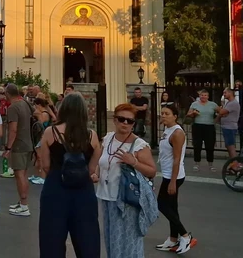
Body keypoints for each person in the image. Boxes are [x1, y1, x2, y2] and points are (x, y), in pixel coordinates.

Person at [36, 92, 102, 258]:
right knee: (88, 241)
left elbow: (45, 165)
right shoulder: (91, 136)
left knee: (52, 242)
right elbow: (93, 168)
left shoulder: (51, 133)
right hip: (83, 192)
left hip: (56, 189)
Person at [96, 103, 157, 258]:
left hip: (127, 200)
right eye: (121, 119)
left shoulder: (139, 145)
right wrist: (95, 174)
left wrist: (134, 162)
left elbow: (152, 172)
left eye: (129, 121)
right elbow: (101, 162)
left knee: (129, 243)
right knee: (112, 240)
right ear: (115, 120)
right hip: (106, 197)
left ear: (133, 124)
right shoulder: (108, 138)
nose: (125, 123)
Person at [156, 104, 195, 253]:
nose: (163, 115)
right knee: (172, 208)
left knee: (161, 204)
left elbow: (177, 159)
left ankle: (185, 235)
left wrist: (172, 182)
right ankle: (173, 239)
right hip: (167, 173)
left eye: (167, 113)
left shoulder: (177, 133)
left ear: (175, 116)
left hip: (174, 176)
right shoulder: (167, 129)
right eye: (162, 113)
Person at [3, 83, 33, 217]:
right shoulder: (25, 104)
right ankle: (22, 201)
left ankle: (24, 206)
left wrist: (8, 148)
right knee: (24, 174)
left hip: (19, 145)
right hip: (28, 143)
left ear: (8, 94)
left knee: (19, 174)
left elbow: (13, 129)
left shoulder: (13, 108)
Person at [188, 89, 218, 172]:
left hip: (209, 127)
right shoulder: (194, 104)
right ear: (199, 96)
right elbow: (188, 114)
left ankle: (210, 164)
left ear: (208, 96)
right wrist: (193, 113)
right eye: (202, 95)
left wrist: (216, 119)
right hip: (198, 126)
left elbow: (221, 112)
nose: (203, 97)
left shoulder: (213, 104)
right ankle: (197, 163)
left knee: (210, 146)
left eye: (205, 95)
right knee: (197, 145)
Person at [218, 88, 241, 162]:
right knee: (228, 145)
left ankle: (235, 164)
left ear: (230, 93)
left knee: (231, 146)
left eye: (225, 93)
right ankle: (232, 162)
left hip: (230, 127)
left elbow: (222, 112)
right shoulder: (229, 102)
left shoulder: (233, 103)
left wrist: (218, 109)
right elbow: (224, 114)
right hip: (227, 127)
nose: (224, 94)